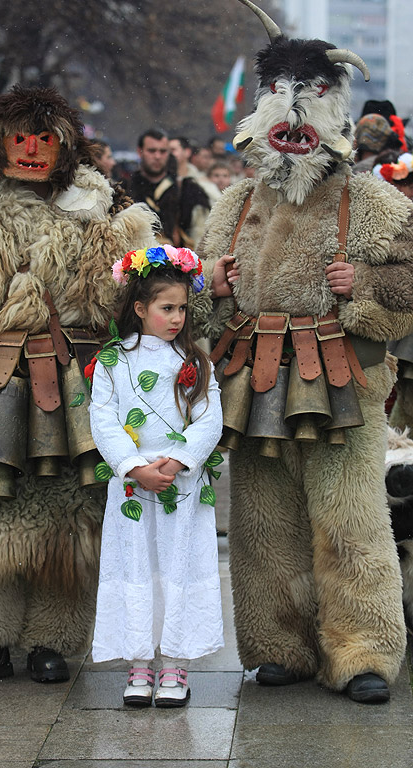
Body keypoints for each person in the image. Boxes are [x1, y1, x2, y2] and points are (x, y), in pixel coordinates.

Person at [192, 0, 413, 704]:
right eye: (278, 113)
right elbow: (189, 294)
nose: (289, 130)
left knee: (351, 517)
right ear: (262, 118)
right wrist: (212, 285)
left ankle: (364, 652)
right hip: (251, 379)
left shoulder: (375, 201)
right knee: (263, 521)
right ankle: (278, 644)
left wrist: (367, 285)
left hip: (344, 378)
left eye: (305, 109)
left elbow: (408, 283)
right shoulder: (232, 203)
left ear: (331, 118)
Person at [0, 85, 157, 689]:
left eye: (45, 138)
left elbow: (146, 297)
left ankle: (52, 641)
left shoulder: (108, 220)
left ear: (67, 147)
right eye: (18, 137)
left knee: (69, 509)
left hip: (75, 386)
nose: (32, 150)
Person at [89, 244, 224, 707]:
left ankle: (175, 667)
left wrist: (178, 461)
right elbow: (103, 419)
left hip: (180, 487)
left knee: (179, 565)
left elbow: (209, 419)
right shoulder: (113, 361)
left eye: (183, 308)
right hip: (132, 485)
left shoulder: (195, 363)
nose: (177, 318)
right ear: (141, 308)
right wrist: (134, 467)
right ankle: (139, 663)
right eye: (167, 308)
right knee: (136, 565)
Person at [372, 151, 413, 431]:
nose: (396, 191)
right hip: (402, 324)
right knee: (406, 398)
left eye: (402, 185)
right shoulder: (394, 219)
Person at [129, 130, 210, 248]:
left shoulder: (188, 190)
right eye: (151, 151)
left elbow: (201, 238)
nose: (157, 156)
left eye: (163, 151)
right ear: (140, 152)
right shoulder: (126, 189)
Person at [169, 135, 221, 206]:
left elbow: (217, 204)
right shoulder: (160, 178)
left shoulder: (201, 181)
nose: (169, 154)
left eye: (173, 150)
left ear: (187, 152)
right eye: (166, 150)